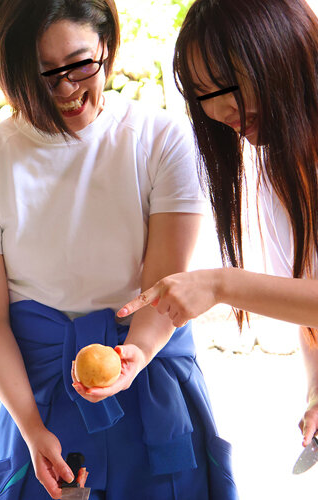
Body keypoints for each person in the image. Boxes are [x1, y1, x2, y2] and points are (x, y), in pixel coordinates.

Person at [0, 0, 237, 498]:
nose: (65, 88)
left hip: (148, 370)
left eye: (80, 64)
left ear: (105, 46)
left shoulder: (161, 139)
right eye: (43, 73)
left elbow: (162, 286)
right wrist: (31, 428)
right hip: (37, 393)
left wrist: (135, 356)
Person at [118, 0, 318, 453]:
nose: (219, 108)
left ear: (278, 47)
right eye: (203, 94)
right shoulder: (278, 165)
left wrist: (220, 285)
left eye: (227, 84)